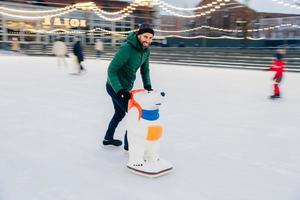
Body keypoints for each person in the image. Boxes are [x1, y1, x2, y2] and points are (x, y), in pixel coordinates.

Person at [103, 24, 154, 150]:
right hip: (114, 86)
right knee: (134, 114)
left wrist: (148, 86)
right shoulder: (127, 48)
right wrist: (119, 90)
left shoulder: (146, 51)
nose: (147, 40)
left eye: (151, 38)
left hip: (125, 88)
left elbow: (145, 70)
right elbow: (111, 70)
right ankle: (129, 144)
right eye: (145, 36)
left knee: (120, 113)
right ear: (138, 35)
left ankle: (108, 138)